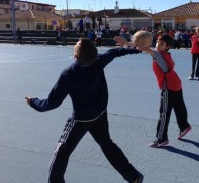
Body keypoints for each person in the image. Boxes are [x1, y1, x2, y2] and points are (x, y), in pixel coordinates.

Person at [25, 38, 143, 183]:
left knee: (62, 152)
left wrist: (34, 102)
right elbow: (114, 52)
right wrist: (134, 49)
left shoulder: (68, 74)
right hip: (99, 114)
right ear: (95, 53)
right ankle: (133, 176)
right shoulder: (99, 61)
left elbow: (52, 103)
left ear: (75, 56)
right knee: (107, 144)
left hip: (81, 119)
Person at [119, 34, 191, 148]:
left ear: (167, 46)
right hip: (176, 83)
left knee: (164, 113)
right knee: (179, 107)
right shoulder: (166, 54)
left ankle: (162, 138)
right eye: (157, 41)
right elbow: (173, 64)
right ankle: (184, 126)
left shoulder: (158, 54)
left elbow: (145, 49)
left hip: (169, 87)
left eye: (161, 43)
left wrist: (126, 43)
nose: (158, 44)